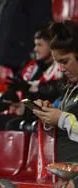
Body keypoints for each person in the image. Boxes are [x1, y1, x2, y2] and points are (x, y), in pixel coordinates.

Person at [0, 28, 62, 130]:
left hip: (37, 116)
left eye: (39, 45)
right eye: (35, 45)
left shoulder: (60, 70)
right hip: (24, 110)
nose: (35, 49)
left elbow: (49, 98)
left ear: (51, 46)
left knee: (1, 124)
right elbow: (17, 91)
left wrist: (24, 105)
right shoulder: (31, 66)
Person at [33, 20, 78, 163]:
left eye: (64, 62)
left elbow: (68, 122)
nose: (61, 69)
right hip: (65, 175)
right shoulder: (70, 87)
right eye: (58, 63)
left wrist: (61, 119)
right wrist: (49, 115)